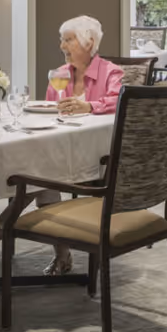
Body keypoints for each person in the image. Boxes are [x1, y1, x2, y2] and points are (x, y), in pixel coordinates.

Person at [37, 15, 123, 275]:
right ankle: (62, 254)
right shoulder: (60, 75)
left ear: (90, 42)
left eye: (69, 40)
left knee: (38, 175)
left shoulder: (112, 72)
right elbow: (49, 110)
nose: (63, 46)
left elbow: (120, 101)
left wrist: (90, 106)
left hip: (97, 160)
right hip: (60, 150)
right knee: (38, 171)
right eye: (62, 40)